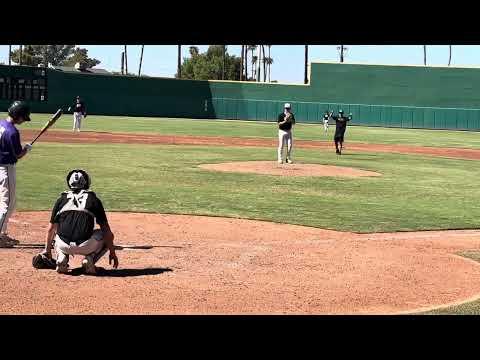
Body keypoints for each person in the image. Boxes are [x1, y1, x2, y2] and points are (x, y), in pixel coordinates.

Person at [41, 169, 118, 275]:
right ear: (86, 182)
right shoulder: (93, 200)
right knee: (107, 235)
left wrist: (47, 251)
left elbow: (50, 229)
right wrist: (112, 252)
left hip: (63, 245)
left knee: (55, 230)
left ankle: (61, 258)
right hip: (86, 246)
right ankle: (90, 259)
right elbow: (106, 230)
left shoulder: (61, 200)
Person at [0, 101, 33, 247]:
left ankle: (2, 233)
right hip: (5, 168)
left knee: (6, 203)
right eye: (23, 117)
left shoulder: (1, 124)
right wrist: (27, 149)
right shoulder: (12, 132)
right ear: (18, 116)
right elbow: (18, 154)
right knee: (7, 204)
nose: (24, 121)